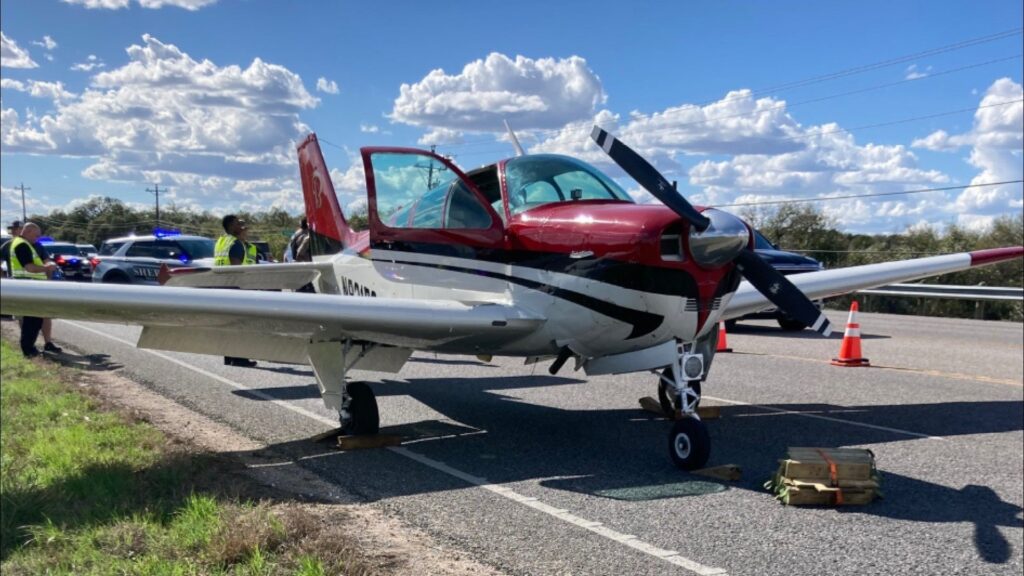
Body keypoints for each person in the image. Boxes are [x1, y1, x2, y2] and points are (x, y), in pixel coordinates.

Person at [9, 223, 58, 357]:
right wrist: (47, 268)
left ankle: (30, 349)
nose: (37, 238)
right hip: (28, 286)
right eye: (36, 235)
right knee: (31, 321)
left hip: (31, 286)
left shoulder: (27, 244)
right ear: (28, 231)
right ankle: (29, 350)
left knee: (34, 320)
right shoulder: (22, 245)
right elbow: (29, 268)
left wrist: (47, 266)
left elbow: (39, 262)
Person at [215, 215, 256, 367]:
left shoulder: (221, 241)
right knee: (240, 324)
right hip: (236, 287)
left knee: (228, 323)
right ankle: (239, 357)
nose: (242, 225)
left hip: (221, 286)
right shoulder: (236, 244)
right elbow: (237, 269)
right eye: (239, 223)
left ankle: (229, 356)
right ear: (231, 226)